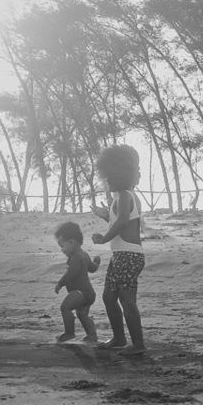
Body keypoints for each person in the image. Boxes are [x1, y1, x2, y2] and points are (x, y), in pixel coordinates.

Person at [90, 144, 146, 355]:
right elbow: (120, 220)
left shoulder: (124, 195)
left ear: (121, 174)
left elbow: (123, 221)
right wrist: (105, 215)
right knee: (108, 297)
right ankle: (119, 338)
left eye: (110, 176)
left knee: (126, 300)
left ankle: (138, 345)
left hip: (128, 255)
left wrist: (104, 238)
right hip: (121, 255)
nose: (108, 180)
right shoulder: (121, 196)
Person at [53, 221, 101, 344]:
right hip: (89, 293)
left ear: (72, 242)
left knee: (65, 307)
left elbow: (71, 274)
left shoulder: (75, 257)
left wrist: (60, 284)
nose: (62, 250)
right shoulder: (84, 255)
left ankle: (69, 333)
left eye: (62, 246)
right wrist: (96, 261)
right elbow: (92, 268)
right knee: (82, 314)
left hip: (80, 292)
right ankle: (92, 335)